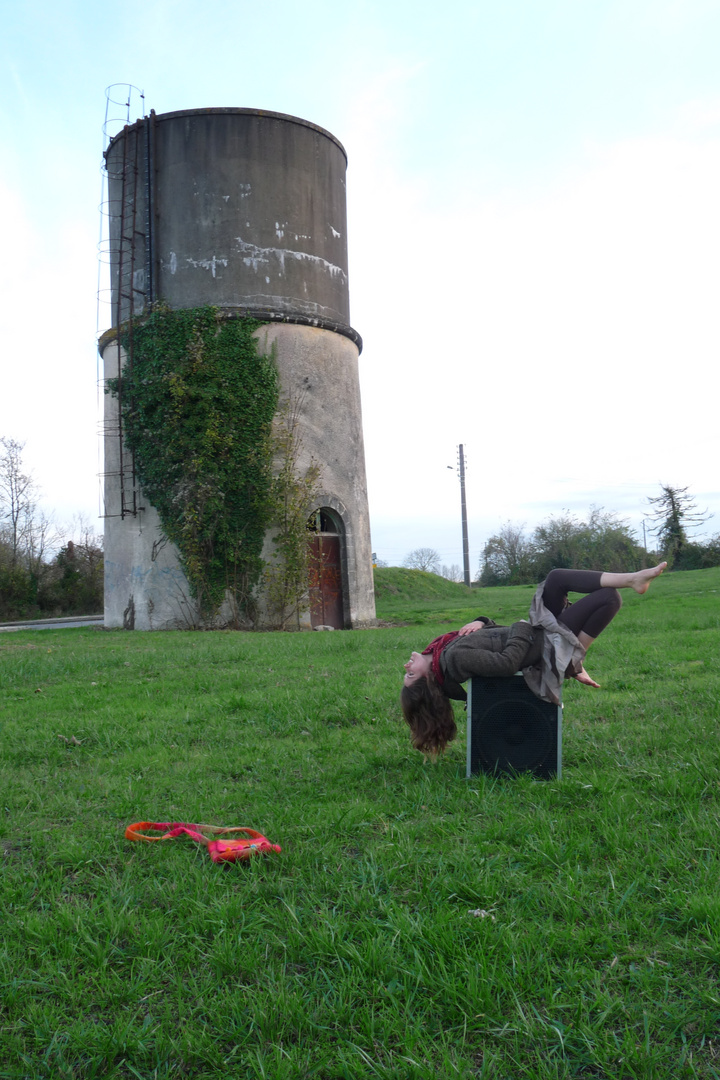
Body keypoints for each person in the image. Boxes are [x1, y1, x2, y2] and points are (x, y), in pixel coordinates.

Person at [400, 563, 667, 757]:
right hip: (543, 643)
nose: (407, 665)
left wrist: (479, 621)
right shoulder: (455, 661)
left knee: (556, 578)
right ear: (429, 681)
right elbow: (507, 663)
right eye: (410, 674)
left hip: (533, 633)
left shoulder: (443, 650)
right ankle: (572, 657)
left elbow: (493, 635)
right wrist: (521, 627)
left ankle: (633, 579)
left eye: (407, 670)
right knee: (609, 598)